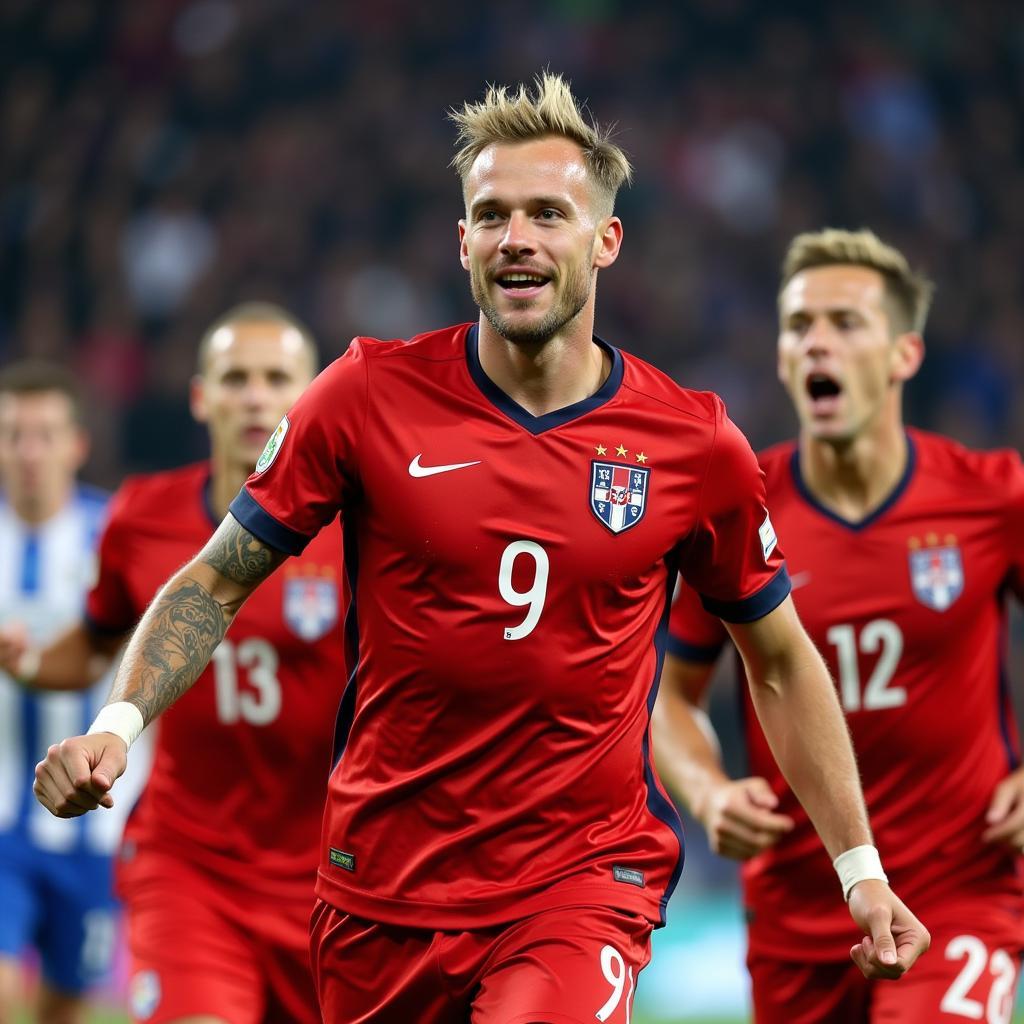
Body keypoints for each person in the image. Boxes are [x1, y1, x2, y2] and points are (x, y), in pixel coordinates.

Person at [31, 76, 928, 1024]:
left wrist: (859, 870)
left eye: (550, 213)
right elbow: (216, 581)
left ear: (606, 241)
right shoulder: (366, 394)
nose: (518, 239)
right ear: (463, 242)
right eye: (492, 215)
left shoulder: (694, 443)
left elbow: (781, 661)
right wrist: (116, 728)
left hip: (581, 883)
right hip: (380, 888)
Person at [655, 227, 1024, 1023]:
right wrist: (709, 792)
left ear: (903, 355)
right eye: (799, 326)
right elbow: (671, 699)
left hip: (960, 889)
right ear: (784, 358)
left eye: (846, 323)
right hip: (797, 913)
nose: (817, 341)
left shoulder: (992, 497)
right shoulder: (737, 512)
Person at [1, 304, 346, 1024]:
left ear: (310, 395)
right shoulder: (143, 514)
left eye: (276, 378)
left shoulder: (360, 531)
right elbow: (99, 642)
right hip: (190, 863)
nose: (255, 395)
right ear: (201, 396)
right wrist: (28, 659)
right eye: (235, 378)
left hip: (330, 877)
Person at [0, 362, 150, 1024]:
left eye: (44, 435)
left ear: (77, 445)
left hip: (97, 826)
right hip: (2, 819)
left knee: (64, 1008)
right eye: (13, 435)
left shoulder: (119, 535)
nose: (29, 452)